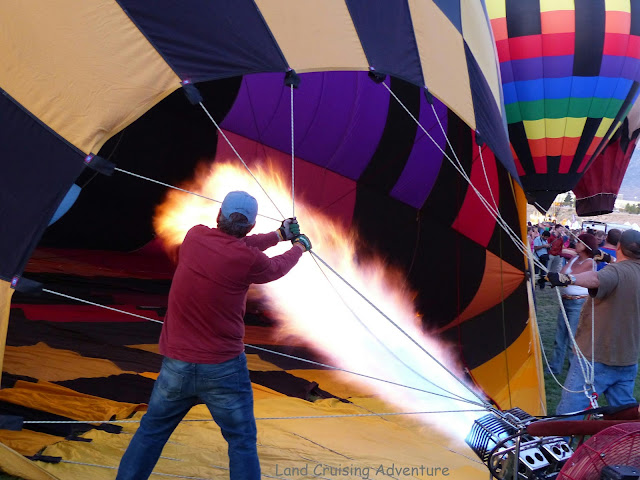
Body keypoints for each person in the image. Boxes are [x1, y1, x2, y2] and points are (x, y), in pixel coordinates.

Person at [116, 191, 312, 480]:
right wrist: (298, 246)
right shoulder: (248, 260)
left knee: (151, 432)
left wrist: (278, 235)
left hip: (177, 366)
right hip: (224, 370)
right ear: (250, 225)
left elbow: (235, 246)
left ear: (219, 215)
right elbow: (274, 267)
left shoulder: (195, 237)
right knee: (241, 441)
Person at [547, 229, 640, 415]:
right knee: (624, 415)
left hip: (597, 357)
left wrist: (568, 278)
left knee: (568, 416)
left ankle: (561, 436)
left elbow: (596, 278)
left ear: (618, 246)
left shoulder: (615, 271)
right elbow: (625, 271)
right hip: (627, 359)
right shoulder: (626, 269)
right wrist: (609, 259)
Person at [547, 233, 597, 375]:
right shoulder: (574, 258)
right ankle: (555, 368)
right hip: (566, 300)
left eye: (579, 242)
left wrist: (557, 278)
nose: (576, 243)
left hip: (578, 303)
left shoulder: (590, 262)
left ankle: (573, 370)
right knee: (560, 336)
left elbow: (570, 276)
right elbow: (562, 273)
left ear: (586, 245)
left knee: (573, 338)